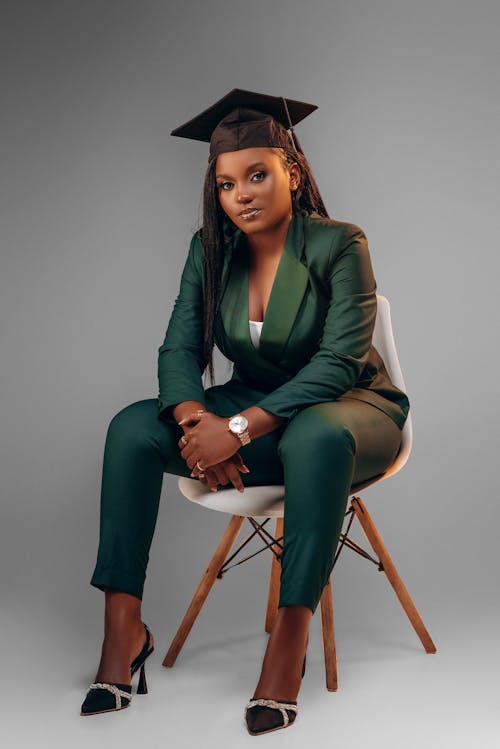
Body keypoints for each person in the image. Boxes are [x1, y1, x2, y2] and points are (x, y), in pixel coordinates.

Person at [80, 88, 410, 735]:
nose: (242, 194)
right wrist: (194, 425)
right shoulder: (212, 248)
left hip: (351, 409)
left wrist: (235, 430)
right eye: (227, 183)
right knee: (129, 426)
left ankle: (289, 641)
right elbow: (178, 347)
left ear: (292, 169)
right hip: (256, 408)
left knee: (314, 434)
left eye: (257, 174)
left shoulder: (341, 243)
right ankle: (123, 631)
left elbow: (338, 363)